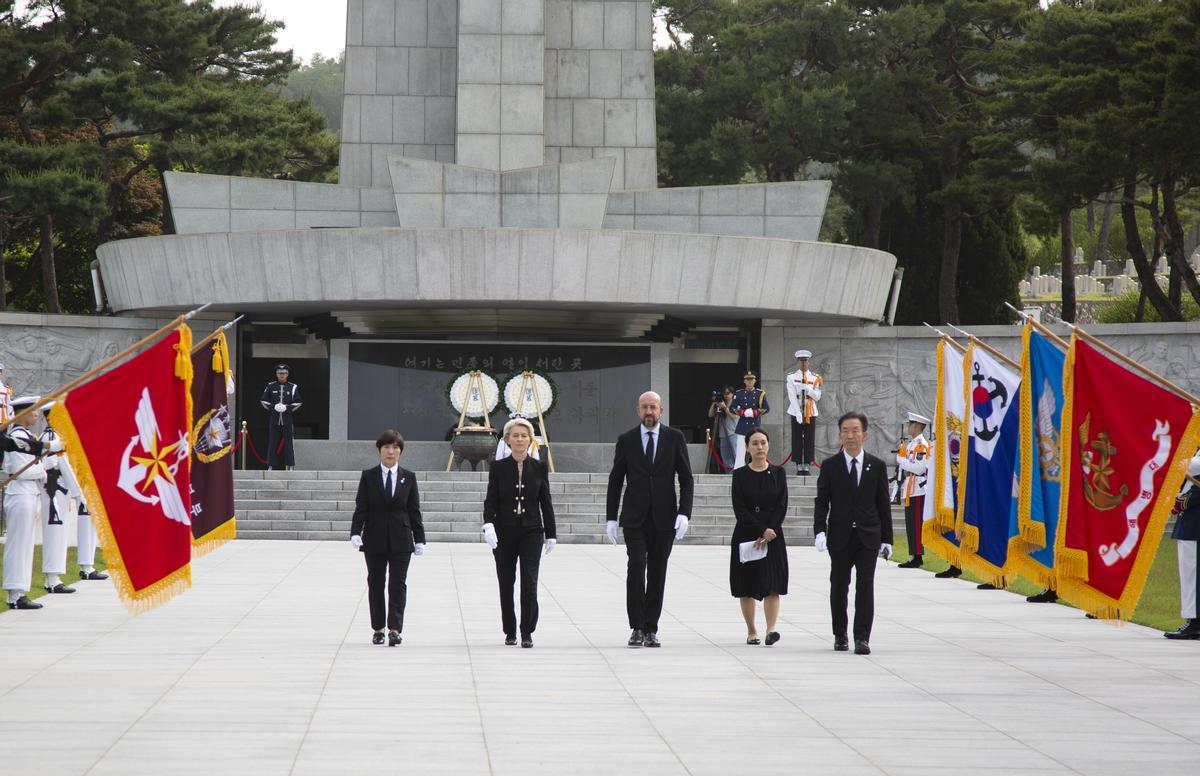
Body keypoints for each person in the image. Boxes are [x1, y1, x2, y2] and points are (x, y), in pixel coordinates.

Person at [606, 390, 694, 648]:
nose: (649, 412)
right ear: (638, 410)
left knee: (658, 571)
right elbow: (615, 479)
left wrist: (684, 512)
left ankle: (651, 628)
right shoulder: (627, 440)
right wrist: (611, 517)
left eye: (653, 407)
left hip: (664, 518)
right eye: (645, 407)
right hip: (634, 517)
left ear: (661, 411)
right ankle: (636, 626)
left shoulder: (674, 438)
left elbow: (686, 477)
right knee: (635, 567)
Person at [813, 411, 893, 655]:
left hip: (868, 536)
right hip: (840, 536)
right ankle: (840, 635)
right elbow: (822, 501)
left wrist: (887, 539)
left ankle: (862, 638)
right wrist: (819, 531)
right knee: (839, 585)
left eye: (855, 430)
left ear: (864, 434)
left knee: (865, 586)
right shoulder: (830, 466)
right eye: (845, 431)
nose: (850, 435)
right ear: (839, 435)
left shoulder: (877, 466)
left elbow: (883, 504)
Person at [482, 418, 557, 648]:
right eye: (515, 435)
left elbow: (545, 501)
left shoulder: (539, 467)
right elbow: (491, 499)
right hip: (505, 531)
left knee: (529, 580)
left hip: (531, 531)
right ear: (507, 439)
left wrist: (551, 533)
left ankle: (527, 631)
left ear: (530, 439)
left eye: (524, 435)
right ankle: (510, 630)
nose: (520, 439)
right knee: (506, 581)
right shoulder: (497, 467)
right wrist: (488, 524)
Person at [350, 430, 426, 646]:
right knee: (375, 583)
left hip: (401, 538)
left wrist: (419, 538)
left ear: (400, 451)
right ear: (379, 450)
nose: (390, 452)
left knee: (397, 584)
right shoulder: (369, 476)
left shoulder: (408, 477)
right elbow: (361, 508)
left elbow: (414, 510)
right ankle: (378, 629)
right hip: (374, 538)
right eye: (386, 447)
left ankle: (395, 628)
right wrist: (355, 532)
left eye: (395, 448)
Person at [729, 428, 789, 646]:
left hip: (773, 536)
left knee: (773, 584)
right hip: (747, 534)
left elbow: (782, 504)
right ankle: (752, 630)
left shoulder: (778, 473)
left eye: (763, 443)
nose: (759, 447)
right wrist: (760, 530)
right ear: (747, 447)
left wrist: (770, 530)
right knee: (746, 585)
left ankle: (771, 629)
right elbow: (740, 509)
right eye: (754, 443)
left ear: (768, 445)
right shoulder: (740, 475)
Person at [3, 396, 50, 610]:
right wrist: (45, 467)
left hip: (28, 495)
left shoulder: (25, 435)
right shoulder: (16, 437)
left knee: (25, 545)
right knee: (18, 545)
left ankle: (20, 591)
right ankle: (15, 594)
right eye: (33, 411)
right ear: (22, 414)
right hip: (20, 494)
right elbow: (20, 472)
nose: (36, 415)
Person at [38, 404, 77, 595]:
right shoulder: (51, 437)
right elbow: (54, 463)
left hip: (60, 489)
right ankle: (52, 578)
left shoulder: (55, 436)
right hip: (52, 489)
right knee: (54, 532)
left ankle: (54, 576)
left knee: (60, 532)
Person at [1165, 453, 1200, 639]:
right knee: (1189, 574)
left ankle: (1195, 623)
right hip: (1190, 524)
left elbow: (1189, 466)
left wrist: (1183, 501)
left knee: (1192, 575)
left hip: (1195, 525)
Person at [896, 412, 931, 569]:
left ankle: (917, 556)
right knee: (910, 523)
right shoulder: (911, 444)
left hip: (918, 487)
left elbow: (920, 468)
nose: (909, 427)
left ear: (917, 426)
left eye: (911, 424)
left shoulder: (921, 445)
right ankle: (913, 554)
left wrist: (901, 461)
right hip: (910, 486)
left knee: (916, 523)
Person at [785, 350, 823, 476]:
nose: (803, 363)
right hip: (796, 410)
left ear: (809, 362)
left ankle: (806, 464)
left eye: (805, 360)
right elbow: (791, 396)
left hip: (810, 411)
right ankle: (798, 464)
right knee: (796, 437)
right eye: (801, 361)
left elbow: (817, 396)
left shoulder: (815, 377)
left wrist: (808, 390)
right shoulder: (791, 377)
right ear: (797, 362)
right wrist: (797, 413)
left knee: (809, 438)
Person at [259, 363, 301, 470]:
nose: (282, 375)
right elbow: (263, 401)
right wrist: (274, 407)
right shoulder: (270, 386)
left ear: (287, 374)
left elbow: (298, 402)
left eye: (284, 373)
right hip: (274, 418)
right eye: (280, 373)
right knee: (272, 442)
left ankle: (290, 465)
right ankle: (271, 465)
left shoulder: (293, 387)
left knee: (289, 442)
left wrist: (287, 408)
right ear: (276, 374)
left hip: (287, 418)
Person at [729, 372, 769, 470]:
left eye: (751, 379)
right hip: (742, 426)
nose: (749, 382)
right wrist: (742, 412)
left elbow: (766, 408)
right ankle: (738, 471)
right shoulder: (739, 393)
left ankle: (759, 468)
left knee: (757, 450)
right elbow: (732, 408)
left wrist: (755, 412)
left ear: (755, 381)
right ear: (744, 381)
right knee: (740, 452)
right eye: (747, 379)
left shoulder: (760, 393)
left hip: (754, 426)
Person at [708, 386, 738, 472]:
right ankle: (728, 476)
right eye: (724, 393)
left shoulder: (735, 403)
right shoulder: (721, 403)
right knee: (725, 458)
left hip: (733, 433)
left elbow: (734, 417)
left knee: (735, 455)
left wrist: (725, 408)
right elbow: (710, 415)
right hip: (723, 434)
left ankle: (737, 475)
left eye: (728, 393)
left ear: (732, 394)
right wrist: (714, 403)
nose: (726, 395)